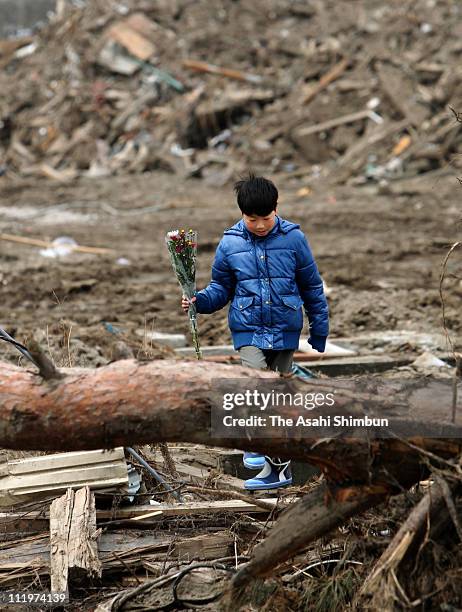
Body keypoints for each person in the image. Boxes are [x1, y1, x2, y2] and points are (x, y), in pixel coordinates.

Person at [181, 173, 329, 490]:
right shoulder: (230, 243)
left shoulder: (293, 239)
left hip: (286, 326)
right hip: (247, 327)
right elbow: (221, 288)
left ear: (276, 209)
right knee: (255, 382)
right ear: (242, 214)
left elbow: (311, 286)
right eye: (252, 219)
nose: (260, 225)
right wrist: (199, 301)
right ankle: (255, 441)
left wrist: (319, 328)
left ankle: (279, 469)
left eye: (266, 217)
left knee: (279, 395)